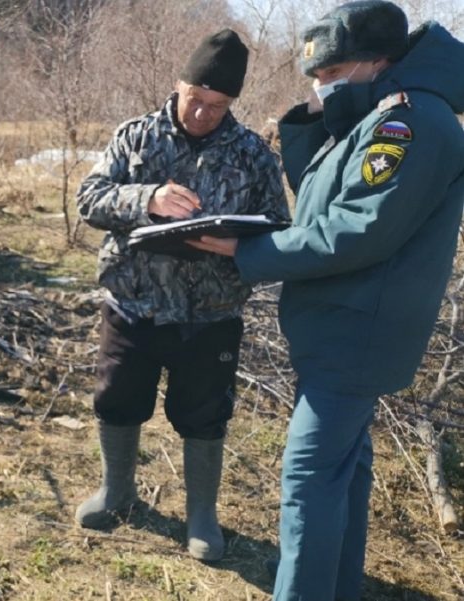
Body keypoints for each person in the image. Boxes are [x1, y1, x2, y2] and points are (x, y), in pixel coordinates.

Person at [188, 2, 464, 598]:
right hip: (344, 329)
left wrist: (246, 252)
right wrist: (317, 116)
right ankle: (337, 586)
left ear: (376, 62)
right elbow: (320, 192)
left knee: (310, 478)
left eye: (331, 73)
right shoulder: (374, 116)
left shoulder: (408, 123)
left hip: (356, 335)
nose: (320, 83)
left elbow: (356, 230)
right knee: (344, 470)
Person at [73, 29, 289, 561]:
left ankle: (201, 517)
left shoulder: (253, 154)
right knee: (118, 400)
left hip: (211, 312)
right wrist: (148, 198)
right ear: (179, 85)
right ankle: (117, 493)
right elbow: (90, 198)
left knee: (204, 413)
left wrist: (230, 243)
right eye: (197, 100)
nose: (204, 115)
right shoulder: (136, 137)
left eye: (218, 106)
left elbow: (280, 227)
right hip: (134, 303)